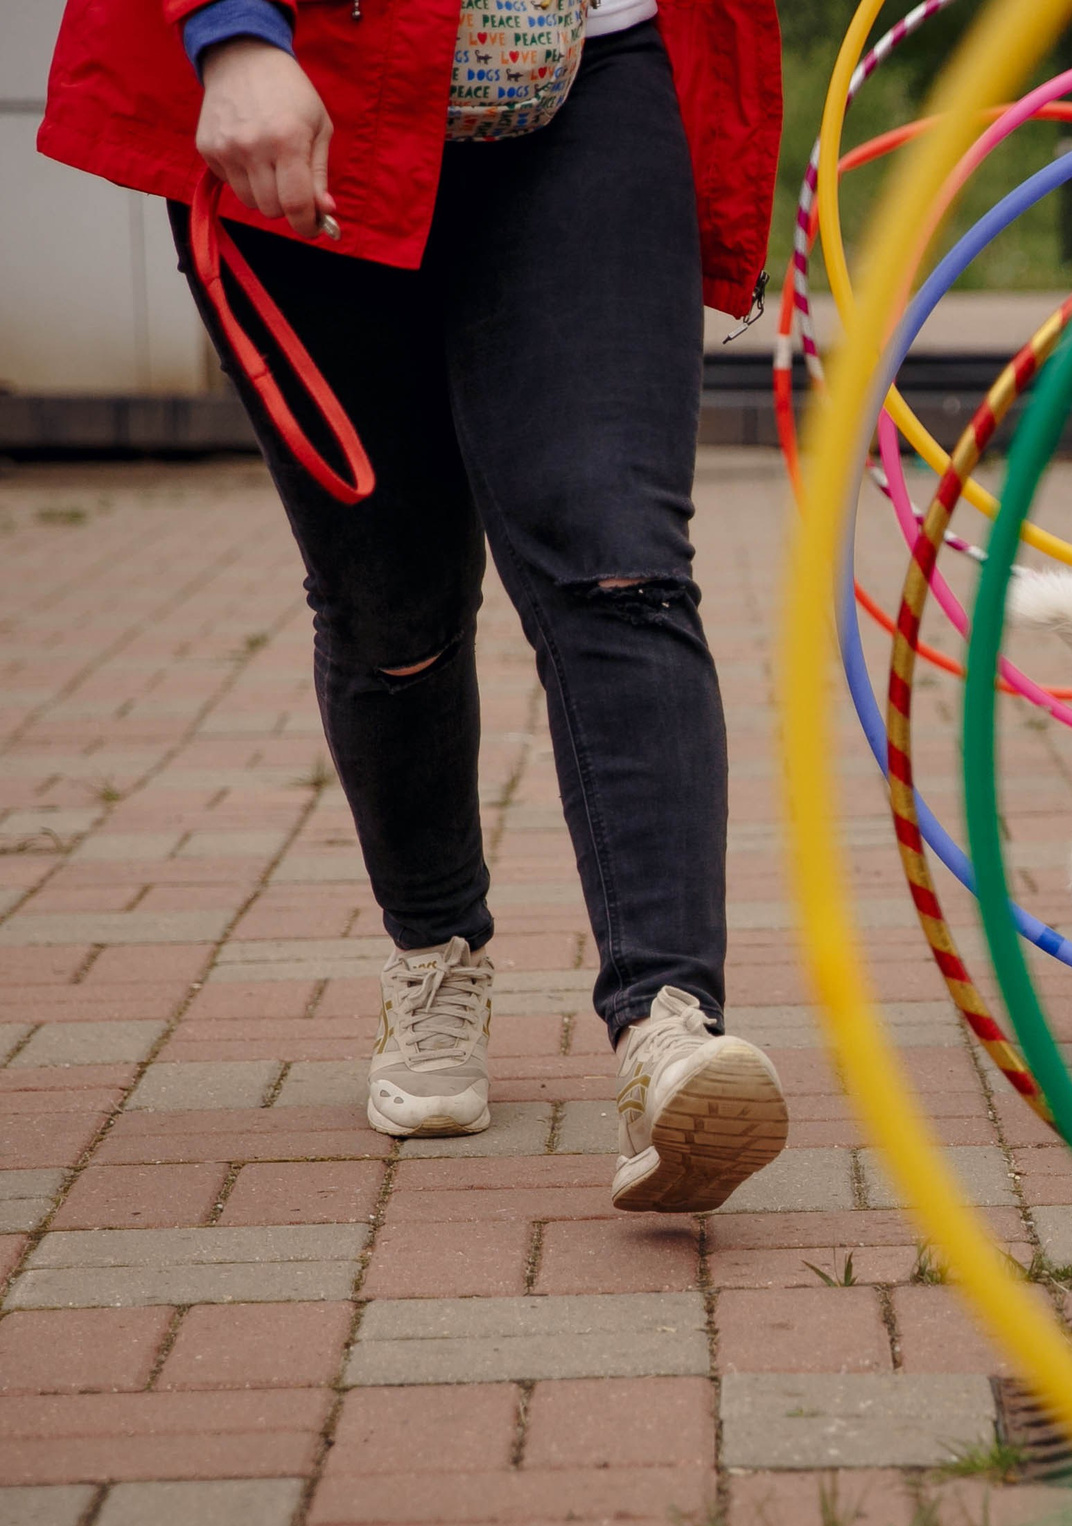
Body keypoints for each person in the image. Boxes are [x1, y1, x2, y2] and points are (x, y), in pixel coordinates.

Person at [39, 0, 795, 1213]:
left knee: (620, 558)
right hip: (308, 81)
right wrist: (232, 31)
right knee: (390, 599)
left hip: (595, 76)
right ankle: (435, 951)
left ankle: (670, 1027)